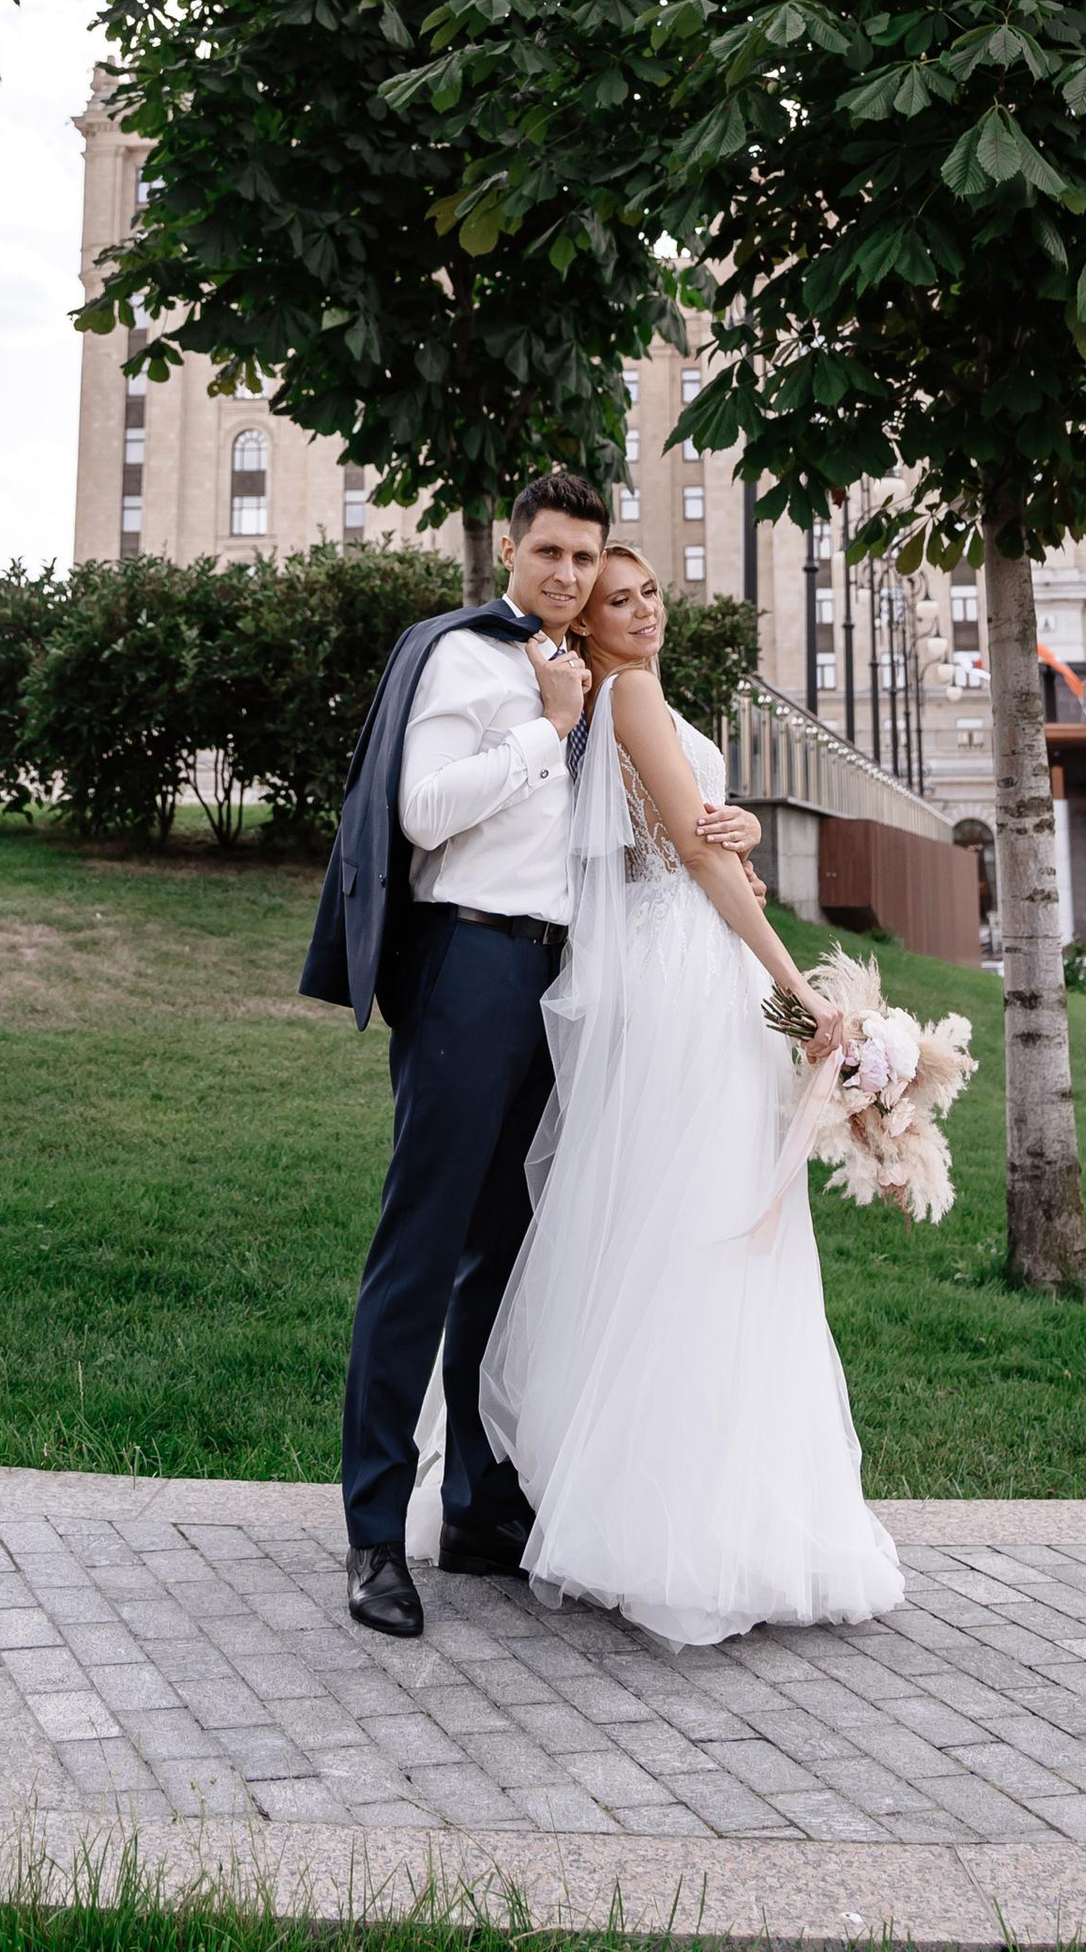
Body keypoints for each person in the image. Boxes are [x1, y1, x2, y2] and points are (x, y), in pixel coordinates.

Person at [301, 466, 761, 1641]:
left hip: (561, 980)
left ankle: (474, 1505)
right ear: (511, 553)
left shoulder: (590, 679)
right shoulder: (465, 660)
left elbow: (630, 829)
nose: (564, 575)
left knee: (501, 1262)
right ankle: (370, 1532)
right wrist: (540, 732)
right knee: (422, 1249)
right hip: (467, 967)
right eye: (548, 554)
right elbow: (420, 813)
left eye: (582, 557)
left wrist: (720, 822)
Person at [480, 540, 907, 1648]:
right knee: (703, 1228)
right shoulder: (626, 697)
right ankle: (671, 1527)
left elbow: (703, 833)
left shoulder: (641, 700)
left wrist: (745, 829)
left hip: (687, 959)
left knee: (705, 1224)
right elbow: (690, 854)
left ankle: (727, 1509)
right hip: (687, 982)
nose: (641, 611)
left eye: (648, 591)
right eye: (616, 601)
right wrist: (800, 991)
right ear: (592, 626)